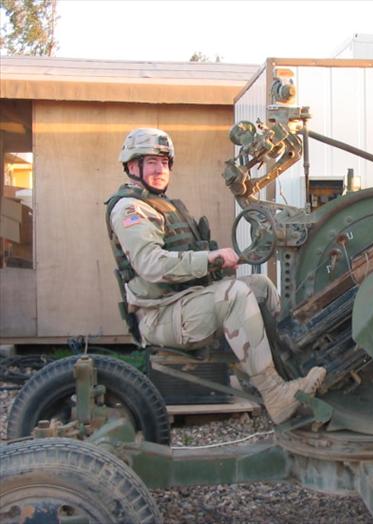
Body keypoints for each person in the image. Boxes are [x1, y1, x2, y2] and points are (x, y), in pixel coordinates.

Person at [105, 128, 325, 424]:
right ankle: (275, 395)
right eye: (151, 162)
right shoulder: (130, 209)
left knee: (259, 286)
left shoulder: (164, 205)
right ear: (133, 167)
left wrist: (215, 265)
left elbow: (185, 258)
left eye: (164, 162)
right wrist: (209, 259)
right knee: (234, 296)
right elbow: (152, 265)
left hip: (184, 303)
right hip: (160, 314)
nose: (160, 169)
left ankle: (291, 366)